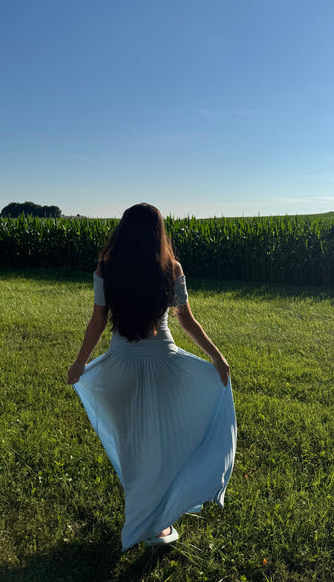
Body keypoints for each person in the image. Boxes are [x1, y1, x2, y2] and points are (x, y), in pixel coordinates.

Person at [67, 203, 236, 551]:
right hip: (165, 367)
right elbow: (186, 320)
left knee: (133, 449)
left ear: (123, 231)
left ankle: (146, 520)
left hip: (121, 368)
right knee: (166, 445)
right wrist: (216, 357)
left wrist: (80, 364)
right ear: (159, 232)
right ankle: (157, 525)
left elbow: (97, 322)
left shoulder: (106, 268)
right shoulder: (170, 268)